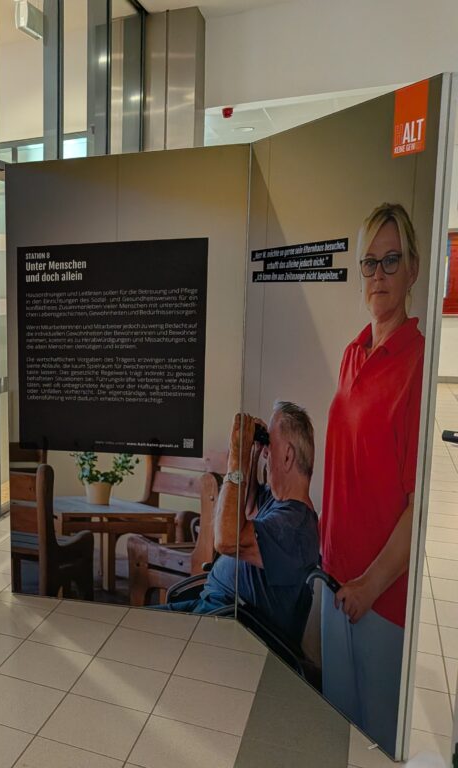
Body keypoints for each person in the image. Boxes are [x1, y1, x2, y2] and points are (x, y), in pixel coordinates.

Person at [320, 203, 424, 754]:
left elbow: (418, 505)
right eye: (369, 262)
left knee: (375, 747)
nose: (378, 274)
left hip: (380, 601)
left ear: (413, 269)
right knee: (338, 738)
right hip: (334, 585)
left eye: (391, 260)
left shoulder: (418, 364)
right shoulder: (351, 354)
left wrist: (370, 586)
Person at [164, 403, 320, 648]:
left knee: (132, 634)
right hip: (215, 611)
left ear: (288, 456)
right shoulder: (279, 504)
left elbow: (227, 540)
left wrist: (237, 458)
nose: (267, 453)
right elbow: (245, 510)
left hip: (227, 629)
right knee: (132, 624)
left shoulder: (293, 525)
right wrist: (253, 453)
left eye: (270, 444)